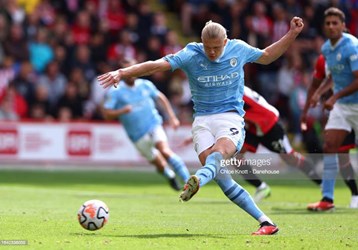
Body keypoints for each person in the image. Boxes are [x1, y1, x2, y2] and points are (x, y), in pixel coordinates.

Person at [98, 17, 304, 235]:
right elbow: (157, 65)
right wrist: (122, 72)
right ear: (202, 43)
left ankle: (197, 180)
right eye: (208, 48)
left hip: (230, 117)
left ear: (225, 42)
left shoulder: (238, 48)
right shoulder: (191, 54)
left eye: (216, 48)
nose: (212, 53)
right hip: (203, 121)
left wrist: (292, 33)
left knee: (218, 154)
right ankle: (266, 223)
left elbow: (268, 56)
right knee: (222, 178)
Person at [102, 58, 190, 191]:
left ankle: (188, 181)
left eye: (132, 69)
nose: (130, 74)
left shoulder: (145, 85)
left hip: (153, 124)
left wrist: (172, 117)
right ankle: (170, 175)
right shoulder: (116, 92)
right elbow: (107, 114)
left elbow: (160, 97)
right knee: (158, 163)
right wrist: (122, 111)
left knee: (164, 150)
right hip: (137, 135)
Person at [301, 7, 358, 211]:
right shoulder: (326, 48)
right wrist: (320, 93)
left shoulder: (352, 46)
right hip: (343, 106)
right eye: (328, 23)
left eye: (336, 23)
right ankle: (327, 199)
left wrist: (333, 96)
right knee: (329, 147)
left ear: (344, 26)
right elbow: (333, 75)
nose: (331, 26)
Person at [238, 86, 322, 202]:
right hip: (252, 126)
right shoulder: (233, 85)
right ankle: (261, 187)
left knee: (290, 158)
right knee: (235, 156)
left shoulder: (233, 89)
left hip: (268, 124)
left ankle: (323, 184)